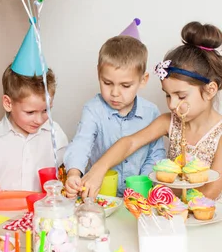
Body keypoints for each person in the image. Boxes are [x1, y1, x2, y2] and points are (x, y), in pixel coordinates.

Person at [79, 22, 222, 200]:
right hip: (171, 214)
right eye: (168, 95)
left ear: (210, 90)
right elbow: (129, 143)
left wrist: (160, 190)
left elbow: (210, 192)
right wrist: (99, 169)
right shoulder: (168, 122)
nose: (171, 104)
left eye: (181, 96)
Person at [0, 22, 68, 192]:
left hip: (44, 216)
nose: (39, 119)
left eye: (46, 110)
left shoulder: (56, 134)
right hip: (1, 217)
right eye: (30, 112)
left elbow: (64, 176)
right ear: (8, 103)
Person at [65, 35, 166, 198]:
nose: (115, 93)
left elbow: (156, 155)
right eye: (107, 83)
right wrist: (73, 174)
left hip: (140, 197)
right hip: (102, 196)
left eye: (125, 85)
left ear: (143, 80)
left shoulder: (151, 112)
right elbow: (81, 144)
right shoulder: (93, 110)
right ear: (98, 72)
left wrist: (143, 184)